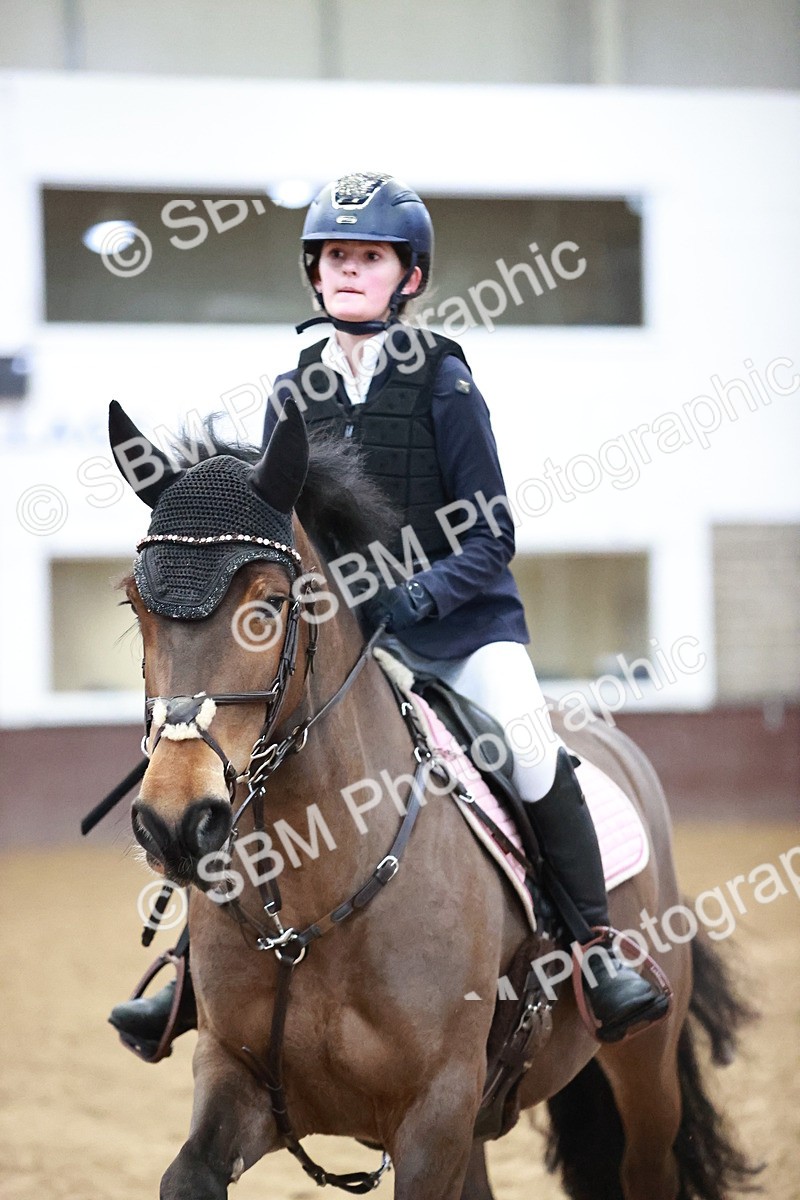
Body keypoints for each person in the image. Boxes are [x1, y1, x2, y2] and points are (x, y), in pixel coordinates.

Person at [110, 173, 668, 1055]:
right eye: (337, 256)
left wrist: (418, 595)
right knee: (256, 766)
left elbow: (492, 532)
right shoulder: (292, 392)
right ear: (314, 273)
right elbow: (276, 532)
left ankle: (595, 949)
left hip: (463, 631)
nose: (350, 271)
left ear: (408, 277)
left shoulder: (444, 380)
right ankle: (191, 967)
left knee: (528, 747)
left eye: (369, 257)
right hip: (350, 645)